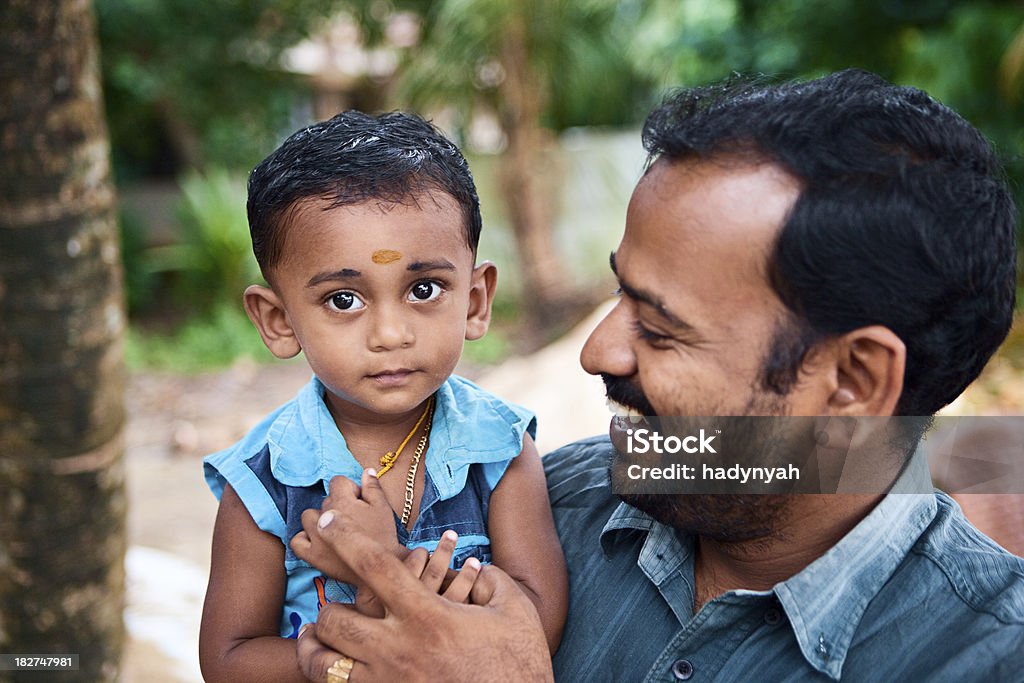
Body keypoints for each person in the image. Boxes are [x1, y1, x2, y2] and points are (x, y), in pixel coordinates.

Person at [291, 69, 1024, 682]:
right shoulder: (542, 508)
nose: (598, 352)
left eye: (662, 328)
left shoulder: (987, 654)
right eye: (620, 295)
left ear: (854, 380)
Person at [198, 111, 567, 682]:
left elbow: (538, 623)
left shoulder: (499, 448)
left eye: (424, 290)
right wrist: (348, 667)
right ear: (278, 320)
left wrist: (384, 568)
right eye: (344, 300)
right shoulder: (266, 479)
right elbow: (228, 660)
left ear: (474, 301)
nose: (391, 334)